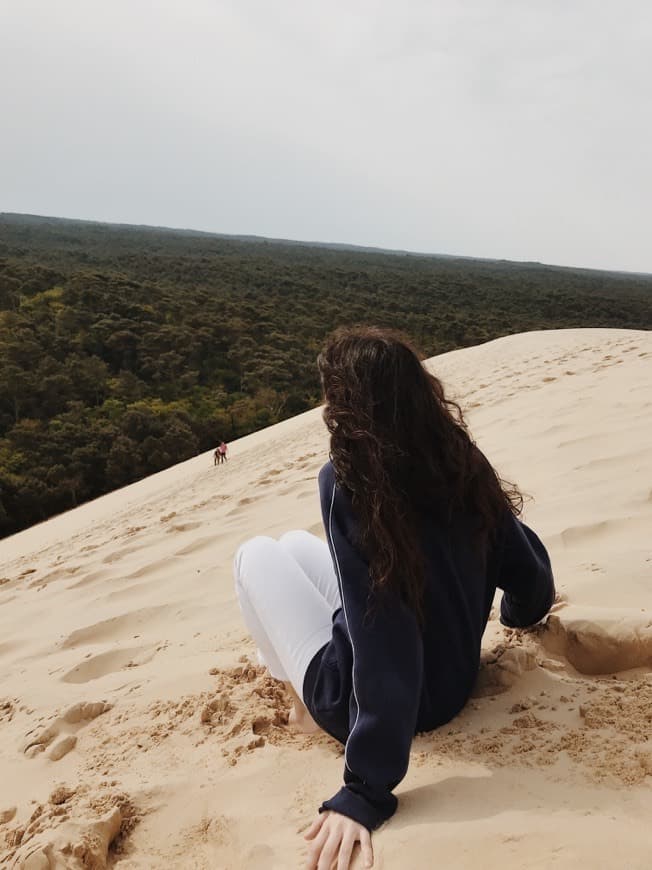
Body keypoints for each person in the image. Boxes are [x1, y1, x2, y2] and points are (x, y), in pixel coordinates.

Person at [233, 327, 555, 870]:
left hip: (382, 707)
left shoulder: (350, 479)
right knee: (293, 544)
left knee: (254, 555)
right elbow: (528, 570)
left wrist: (365, 789)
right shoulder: (458, 459)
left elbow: (385, 634)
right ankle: (308, 692)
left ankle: (304, 709)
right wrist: (520, 613)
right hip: (454, 679)